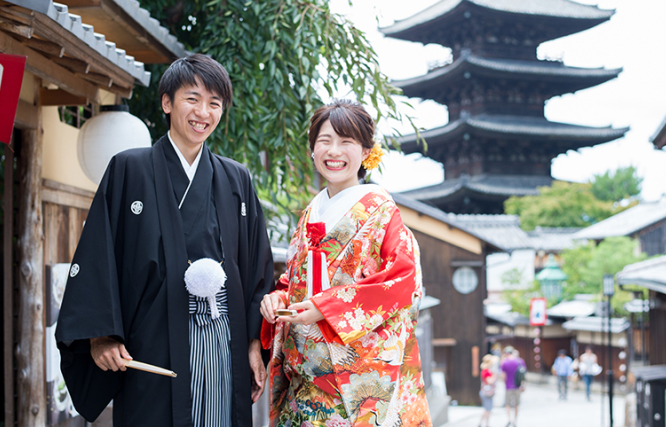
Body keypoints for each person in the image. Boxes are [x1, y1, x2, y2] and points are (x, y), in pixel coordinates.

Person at [55, 54, 274, 427]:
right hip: (153, 343)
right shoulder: (129, 170)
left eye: (214, 103)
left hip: (224, 343)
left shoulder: (237, 179)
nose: (203, 112)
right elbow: (98, 256)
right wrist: (100, 336)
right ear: (167, 102)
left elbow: (258, 271)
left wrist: (256, 342)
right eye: (192, 98)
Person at [259, 100, 431, 426]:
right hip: (303, 381)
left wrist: (325, 307)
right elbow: (295, 283)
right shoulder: (311, 212)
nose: (333, 151)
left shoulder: (380, 212)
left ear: (366, 151)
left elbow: (403, 282)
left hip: (353, 388)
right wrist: (278, 299)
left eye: (346, 141)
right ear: (312, 150)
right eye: (324, 140)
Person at [500, 347, 526, 427]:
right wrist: (523, 385)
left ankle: (509, 419)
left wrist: (505, 383)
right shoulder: (520, 361)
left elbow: (503, 376)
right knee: (516, 404)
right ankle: (515, 420)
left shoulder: (504, 362)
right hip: (517, 386)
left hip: (508, 386)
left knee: (507, 404)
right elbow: (523, 374)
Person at [479, 355, 498, 427]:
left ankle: (481, 423)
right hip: (487, 392)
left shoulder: (485, 370)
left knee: (486, 409)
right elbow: (490, 381)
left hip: (485, 392)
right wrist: (495, 376)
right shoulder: (486, 371)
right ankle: (486, 424)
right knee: (488, 409)